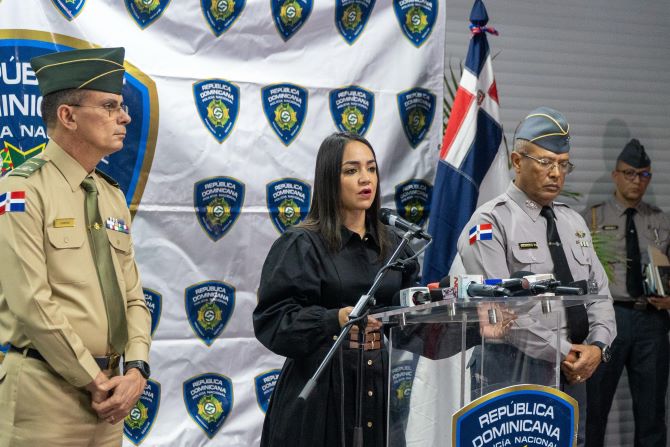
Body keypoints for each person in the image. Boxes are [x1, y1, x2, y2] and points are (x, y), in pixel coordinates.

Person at [0, 47, 151, 446]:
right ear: (68, 116)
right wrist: (93, 379)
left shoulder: (110, 195)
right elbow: (31, 301)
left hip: (112, 397)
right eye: (109, 106)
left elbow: (133, 297)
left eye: (120, 107)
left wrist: (137, 370)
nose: (124, 117)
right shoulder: (21, 190)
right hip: (45, 397)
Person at [457, 107, 616, 446]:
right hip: (512, 371)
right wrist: (567, 352)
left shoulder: (572, 222)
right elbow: (501, 312)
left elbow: (599, 294)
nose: (556, 173)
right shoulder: (489, 223)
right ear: (517, 161)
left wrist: (598, 347)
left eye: (563, 164)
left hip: (574, 372)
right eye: (545, 162)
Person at [253, 132, 419, 447]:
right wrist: (335, 319)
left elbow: (414, 321)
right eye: (351, 170)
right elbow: (273, 321)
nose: (365, 178)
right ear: (330, 179)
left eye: (371, 168)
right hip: (320, 396)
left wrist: (474, 326)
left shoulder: (395, 245)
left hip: (377, 388)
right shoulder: (302, 244)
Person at [584, 139, 670, 447]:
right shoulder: (592, 218)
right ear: (616, 175)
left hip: (651, 321)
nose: (637, 181)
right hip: (609, 318)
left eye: (644, 175)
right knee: (594, 408)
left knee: (651, 412)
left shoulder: (660, 221)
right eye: (630, 173)